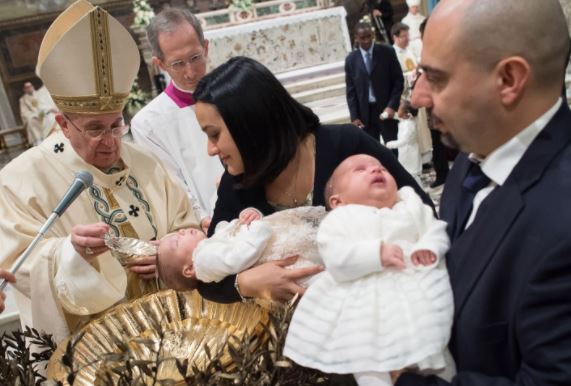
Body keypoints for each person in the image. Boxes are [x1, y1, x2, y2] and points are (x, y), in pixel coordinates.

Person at [0, 0, 199, 343]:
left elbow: (186, 226)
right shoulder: (20, 179)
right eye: (95, 129)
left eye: (116, 124)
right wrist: (69, 253)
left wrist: (164, 258)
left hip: (175, 332)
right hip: (93, 348)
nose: (110, 142)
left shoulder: (145, 163)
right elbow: (18, 267)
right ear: (63, 123)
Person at [394, 0, 571, 385]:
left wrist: (399, 379)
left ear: (508, 80)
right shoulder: (471, 159)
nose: (420, 98)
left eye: (436, 78)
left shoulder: (562, 222)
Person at [192, 56, 431, 304]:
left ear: (248, 120)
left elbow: (422, 212)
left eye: (215, 134)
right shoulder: (237, 183)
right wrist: (248, 282)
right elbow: (205, 275)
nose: (210, 149)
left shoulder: (348, 145)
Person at [284, 154, 453, 386]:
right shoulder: (340, 220)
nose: (375, 170)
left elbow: (436, 229)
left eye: (381, 167)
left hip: (413, 293)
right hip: (361, 303)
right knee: (367, 361)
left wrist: (428, 247)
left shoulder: (410, 206)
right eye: (360, 170)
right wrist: (375, 254)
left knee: (433, 343)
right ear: (337, 201)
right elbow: (335, 256)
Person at [131, 8, 223, 233]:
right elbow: (171, 184)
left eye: (195, 58)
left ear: (206, 48)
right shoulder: (148, 123)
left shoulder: (234, 92)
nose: (191, 72)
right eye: (178, 64)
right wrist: (199, 217)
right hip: (209, 225)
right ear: (160, 64)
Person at [157, 205, 325, 291]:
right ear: (189, 270)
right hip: (273, 256)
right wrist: (257, 229)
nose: (183, 231)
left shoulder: (208, 246)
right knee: (314, 273)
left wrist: (247, 215)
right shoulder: (203, 261)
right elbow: (238, 257)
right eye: (177, 241)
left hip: (271, 244)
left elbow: (230, 229)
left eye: (178, 231)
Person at [345, 22, 404, 146]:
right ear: (356, 37)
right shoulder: (351, 60)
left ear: (372, 34)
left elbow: (398, 80)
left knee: (393, 149)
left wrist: (392, 106)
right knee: (372, 152)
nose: (367, 41)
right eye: (362, 38)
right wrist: (354, 117)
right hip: (365, 114)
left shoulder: (387, 52)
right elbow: (351, 92)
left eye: (369, 36)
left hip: (386, 109)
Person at [392, 22, 433, 163]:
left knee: (422, 129)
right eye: (404, 36)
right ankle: (417, 160)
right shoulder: (393, 54)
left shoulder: (410, 51)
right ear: (395, 37)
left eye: (408, 35)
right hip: (405, 96)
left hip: (416, 93)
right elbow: (396, 77)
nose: (407, 39)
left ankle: (426, 157)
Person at [387, 101, 422, 184]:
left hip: (409, 153)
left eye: (399, 109)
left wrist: (389, 144)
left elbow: (404, 141)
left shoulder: (409, 125)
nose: (397, 110)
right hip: (405, 152)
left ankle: (420, 191)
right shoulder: (405, 120)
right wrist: (389, 115)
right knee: (406, 172)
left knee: (412, 174)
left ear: (407, 114)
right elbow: (399, 116)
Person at [19, 81, 57, 146]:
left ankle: (53, 137)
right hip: (34, 117)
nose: (29, 88)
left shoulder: (40, 94)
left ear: (33, 87)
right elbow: (24, 112)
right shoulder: (23, 99)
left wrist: (46, 111)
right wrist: (34, 115)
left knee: (51, 117)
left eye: (30, 86)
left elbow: (46, 104)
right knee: (31, 121)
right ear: (24, 89)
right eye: (27, 87)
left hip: (44, 113)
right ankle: (38, 140)